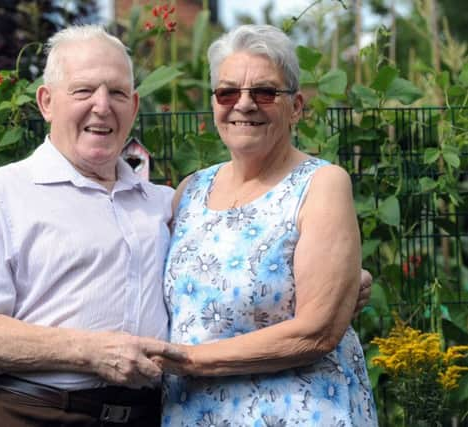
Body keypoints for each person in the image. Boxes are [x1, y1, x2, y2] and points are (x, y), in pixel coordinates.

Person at [0, 25, 373, 427]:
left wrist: (339, 285)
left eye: (116, 92)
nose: (101, 105)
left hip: (157, 413)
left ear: (133, 107)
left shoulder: (164, 202)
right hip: (34, 413)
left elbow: (281, 289)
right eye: (83, 91)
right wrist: (93, 352)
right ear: (46, 102)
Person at [158, 24, 378, 426]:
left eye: (264, 92)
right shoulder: (189, 191)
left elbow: (316, 332)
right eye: (227, 92)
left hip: (294, 412)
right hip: (195, 411)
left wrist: (188, 360)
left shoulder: (321, 184)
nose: (244, 104)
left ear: (295, 106)